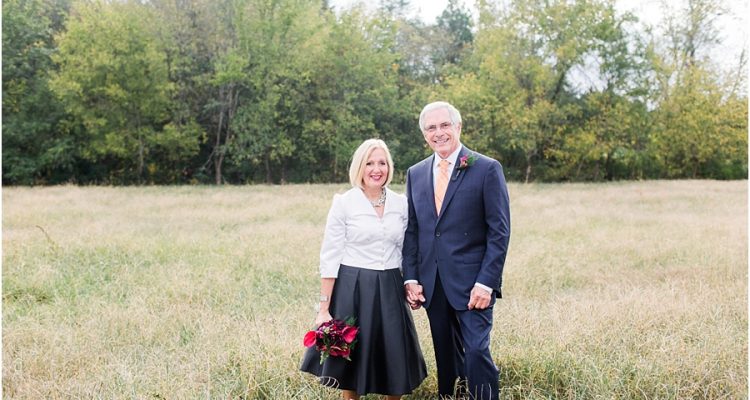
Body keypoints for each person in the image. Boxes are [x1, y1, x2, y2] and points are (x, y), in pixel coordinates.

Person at [300, 139, 427, 400]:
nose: (376, 169)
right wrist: (323, 308)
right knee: (351, 360)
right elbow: (330, 256)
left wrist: (411, 284)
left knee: (394, 353)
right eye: (369, 163)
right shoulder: (344, 203)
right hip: (352, 287)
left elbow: (407, 250)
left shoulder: (401, 203)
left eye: (382, 163)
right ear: (359, 167)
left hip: (390, 286)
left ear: (389, 167)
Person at [402, 101, 511, 400]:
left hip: (474, 284)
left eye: (444, 125)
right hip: (433, 283)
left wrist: (486, 283)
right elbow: (413, 230)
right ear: (424, 134)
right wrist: (411, 278)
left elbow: (499, 232)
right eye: (431, 128)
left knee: (476, 350)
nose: (438, 133)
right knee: (446, 355)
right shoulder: (416, 173)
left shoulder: (486, 168)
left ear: (458, 127)